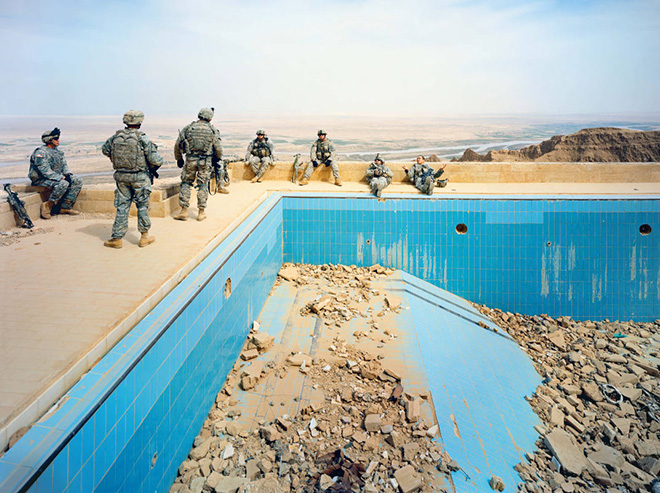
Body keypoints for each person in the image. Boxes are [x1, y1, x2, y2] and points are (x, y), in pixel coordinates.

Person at [101, 110, 163, 249]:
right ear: (140, 123)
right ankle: (144, 237)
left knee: (122, 207)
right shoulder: (143, 138)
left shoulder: (116, 137)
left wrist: (118, 160)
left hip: (121, 177)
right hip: (140, 177)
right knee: (142, 206)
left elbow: (105, 150)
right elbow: (156, 160)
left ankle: (117, 238)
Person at [174, 107, 224, 222]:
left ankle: (184, 211)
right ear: (210, 118)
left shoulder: (189, 128)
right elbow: (218, 148)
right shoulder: (212, 130)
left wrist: (179, 159)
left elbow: (177, 145)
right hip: (205, 161)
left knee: (186, 183)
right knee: (202, 184)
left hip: (190, 160)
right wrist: (217, 159)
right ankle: (201, 212)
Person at [29, 128, 83, 219]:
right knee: (63, 184)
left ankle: (65, 207)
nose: (58, 141)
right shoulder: (40, 153)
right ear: (49, 140)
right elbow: (44, 170)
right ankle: (48, 206)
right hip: (41, 179)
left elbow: (64, 165)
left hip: (54, 178)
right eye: (56, 139)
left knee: (77, 180)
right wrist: (59, 178)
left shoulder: (58, 152)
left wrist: (67, 174)